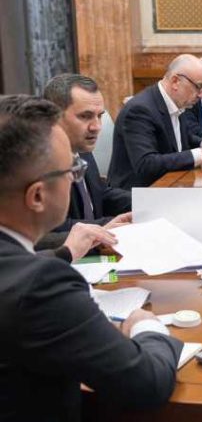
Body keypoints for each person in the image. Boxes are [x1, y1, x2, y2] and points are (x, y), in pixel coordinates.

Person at [0, 95, 182, 421]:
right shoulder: (41, 285)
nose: (76, 177)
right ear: (37, 195)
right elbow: (147, 385)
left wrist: (66, 252)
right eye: (72, 170)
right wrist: (147, 326)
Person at [37, 74, 132, 252]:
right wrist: (105, 227)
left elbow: (100, 194)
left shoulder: (80, 145)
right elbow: (48, 230)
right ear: (53, 117)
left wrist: (144, 203)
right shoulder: (35, 161)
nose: (96, 127)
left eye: (99, 116)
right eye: (85, 116)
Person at [108, 54, 202, 190]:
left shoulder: (177, 101)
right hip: (139, 193)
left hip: (171, 185)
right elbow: (146, 164)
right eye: (199, 87)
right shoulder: (140, 110)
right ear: (175, 81)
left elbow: (180, 139)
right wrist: (201, 155)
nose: (201, 95)